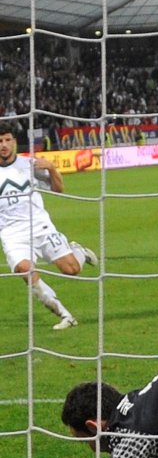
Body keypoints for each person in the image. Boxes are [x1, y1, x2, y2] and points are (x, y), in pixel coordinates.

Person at [0, 122, 98, 330]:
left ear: (15, 142)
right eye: (0, 141)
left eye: (8, 140)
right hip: (12, 235)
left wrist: (52, 168)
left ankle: (79, 251)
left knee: (71, 269)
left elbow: (58, 189)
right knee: (25, 270)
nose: (4, 145)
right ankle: (65, 315)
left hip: (40, 227)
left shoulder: (29, 165)